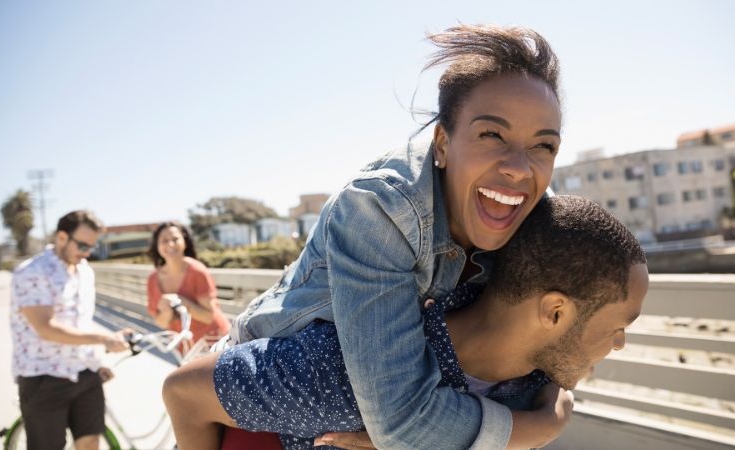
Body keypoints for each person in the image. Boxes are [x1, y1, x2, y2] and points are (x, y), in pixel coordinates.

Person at [165, 23, 568, 450]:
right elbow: (402, 423)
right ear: (442, 143)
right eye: (491, 135)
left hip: (365, 402)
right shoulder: (380, 207)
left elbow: (571, 329)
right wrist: (545, 425)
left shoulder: (538, 216)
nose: (518, 168)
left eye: (543, 146)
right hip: (280, 383)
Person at [172, 195, 649, 450]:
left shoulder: (533, 377)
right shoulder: (351, 372)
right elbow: (183, 391)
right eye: (618, 326)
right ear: (554, 313)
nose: (621, 343)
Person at [10, 210, 131, 450]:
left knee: (90, 442)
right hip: (43, 377)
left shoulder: (85, 272)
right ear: (62, 237)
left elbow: (80, 323)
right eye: (83, 245)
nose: (87, 253)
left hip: (84, 373)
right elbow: (46, 328)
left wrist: (96, 361)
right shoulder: (31, 272)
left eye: (92, 247)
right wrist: (105, 339)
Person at [146, 221, 230, 346]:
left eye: (175, 239)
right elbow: (162, 323)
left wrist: (179, 301)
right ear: (156, 245)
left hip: (214, 342)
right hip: (184, 345)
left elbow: (209, 317)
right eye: (164, 240)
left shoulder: (198, 271)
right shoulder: (153, 279)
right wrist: (168, 311)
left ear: (184, 241)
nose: (170, 244)